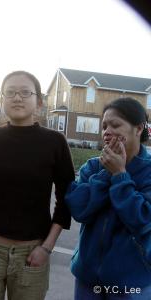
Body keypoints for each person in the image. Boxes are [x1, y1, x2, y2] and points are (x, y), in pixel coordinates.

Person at [0, 70, 75, 300]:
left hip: (32, 255)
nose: (17, 98)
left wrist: (47, 248)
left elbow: (66, 199)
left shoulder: (54, 143)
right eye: (10, 92)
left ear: (39, 101)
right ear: (2, 99)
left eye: (25, 92)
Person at [65, 97, 151, 299]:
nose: (107, 131)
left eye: (115, 125)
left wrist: (121, 176)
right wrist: (107, 172)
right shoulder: (93, 167)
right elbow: (80, 209)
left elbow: (144, 220)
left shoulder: (148, 172)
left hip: (131, 282)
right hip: (88, 279)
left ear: (138, 129)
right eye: (104, 126)